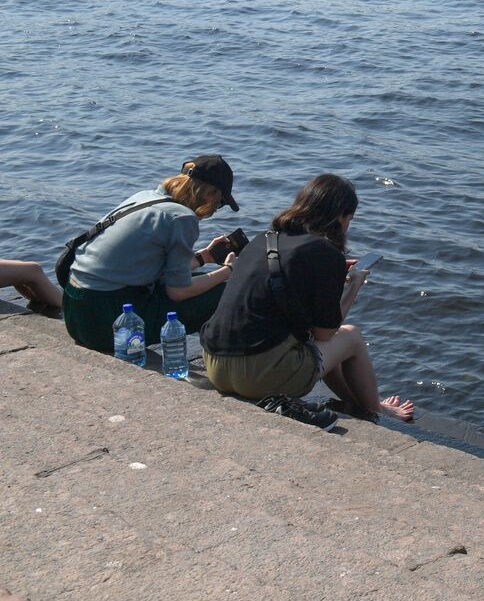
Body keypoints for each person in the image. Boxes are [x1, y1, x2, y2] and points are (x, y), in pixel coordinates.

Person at [200, 174, 413, 423]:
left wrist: (331, 272)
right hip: (257, 378)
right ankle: (377, 408)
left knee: (323, 346)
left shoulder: (265, 239)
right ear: (341, 217)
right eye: (349, 219)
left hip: (215, 366)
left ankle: (358, 403)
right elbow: (325, 335)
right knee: (351, 336)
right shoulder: (326, 253)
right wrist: (354, 286)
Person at [62, 155, 240, 353]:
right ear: (210, 194)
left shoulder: (144, 197)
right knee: (229, 291)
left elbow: (155, 268)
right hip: (108, 326)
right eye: (221, 202)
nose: (216, 209)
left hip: (75, 312)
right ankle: (224, 361)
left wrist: (203, 258)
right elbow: (178, 291)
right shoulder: (181, 218)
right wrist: (228, 271)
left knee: (201, 280)